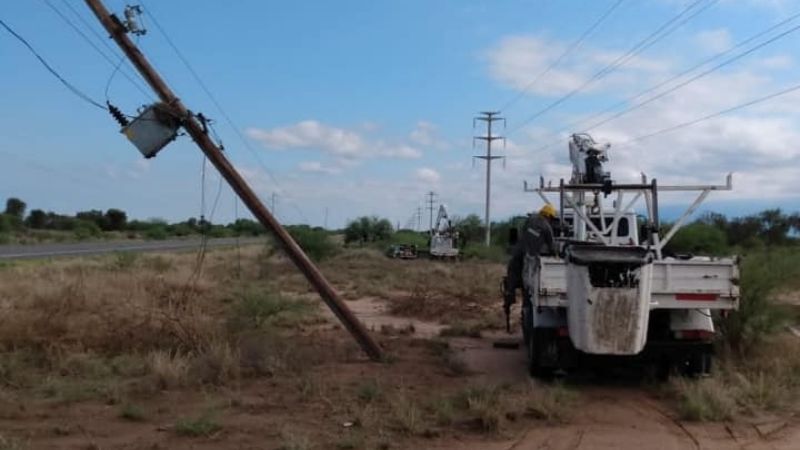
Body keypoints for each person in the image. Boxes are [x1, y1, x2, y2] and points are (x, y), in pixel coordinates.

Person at [503, 204, 558, 331]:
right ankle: (521, 303)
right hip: (531, 260)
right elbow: (551, 245)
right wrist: (555, 255)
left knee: (513, 279)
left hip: (519, 257)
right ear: (549, 216)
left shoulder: (530, 220)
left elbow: (523, 237)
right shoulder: (546, 226)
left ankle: (509, 297)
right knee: (528, 288)